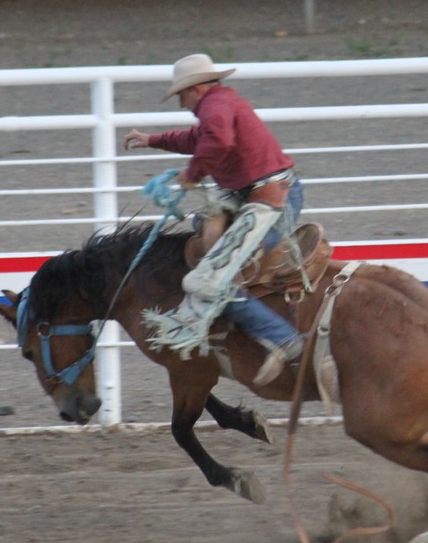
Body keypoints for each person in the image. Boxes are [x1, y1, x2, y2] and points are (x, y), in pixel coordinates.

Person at [124, 53, 305, 387]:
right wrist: (153, 140)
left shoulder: (215, 106)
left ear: (196, 88)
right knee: (203, 238)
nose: (182, 103)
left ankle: (285, 340)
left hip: (269, 200)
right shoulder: (221, 104)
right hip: (260, 193)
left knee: (212, 281)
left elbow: (218, 141)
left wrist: (192, 174)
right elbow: (199, 139)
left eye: (182, 95)